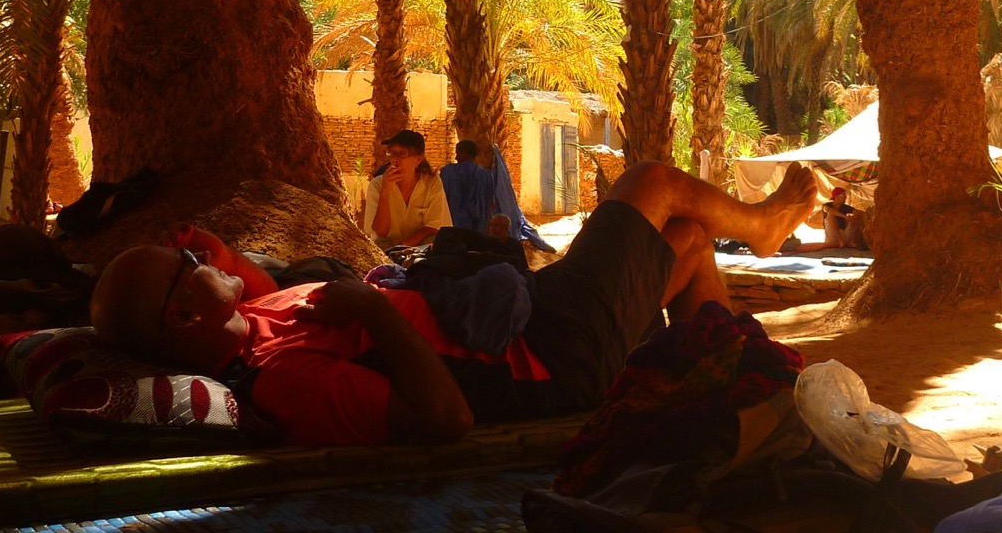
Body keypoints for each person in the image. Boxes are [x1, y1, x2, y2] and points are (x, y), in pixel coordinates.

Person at [89, 160, 821, 447]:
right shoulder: (283, 378)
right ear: (183, 317)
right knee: (653, 186)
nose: (203, 261)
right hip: (548, 356)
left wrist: (208, 253)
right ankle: (761, 228)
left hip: (531, 311)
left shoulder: (257, 316)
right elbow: (446, 419)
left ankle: (734, 386)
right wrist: (371, 309)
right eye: (187, 268)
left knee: (687, 243)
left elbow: (236, 275)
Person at [362, 130, 452, 250]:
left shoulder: (432, 183)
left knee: (437, 242)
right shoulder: (377, 184)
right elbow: (380, 232)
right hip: (388, 247)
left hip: (419, 247)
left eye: (402, 153)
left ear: (418, 159)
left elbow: (433, 226)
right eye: (392, 153)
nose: (395, 159)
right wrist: (385, 192)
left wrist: (403, 247)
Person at [438, 140, 497, 233]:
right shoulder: (485, 175)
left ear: (464, 153)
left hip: (452, 227)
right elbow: (490, 204)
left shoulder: (448, 172)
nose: (456, 157)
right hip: (478, 229)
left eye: (457, 153)